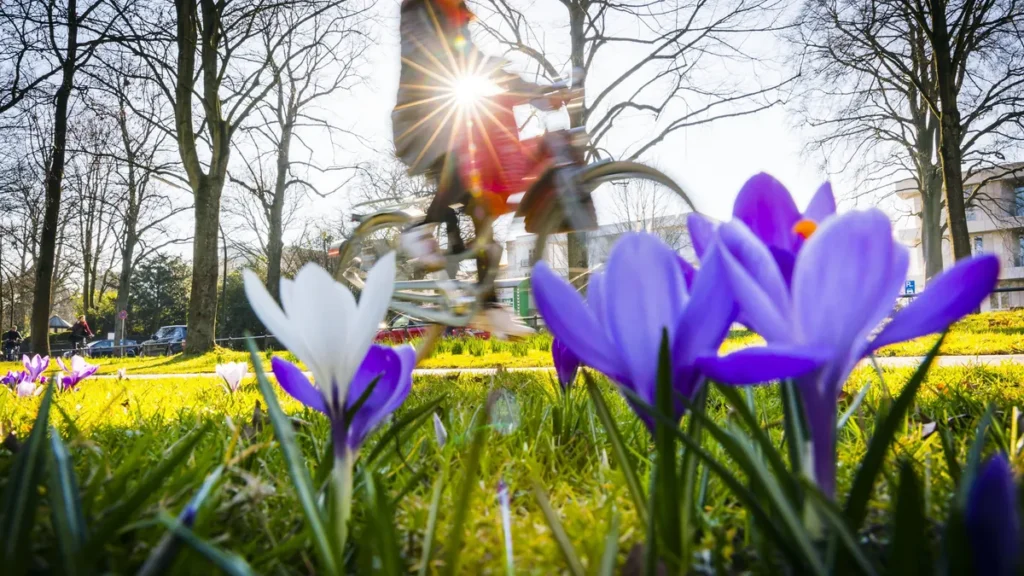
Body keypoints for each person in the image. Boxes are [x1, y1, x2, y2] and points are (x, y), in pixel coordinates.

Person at [393, 0, 560, 338]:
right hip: (423, 123)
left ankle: (489, 305)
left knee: (483, 209)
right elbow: (445, 55)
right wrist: (516, 84)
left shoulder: (455, 12)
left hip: (453, 119)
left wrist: (534, 91)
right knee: (461, 161)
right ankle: (421, 228)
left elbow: (472, 58)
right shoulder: (420, 7)